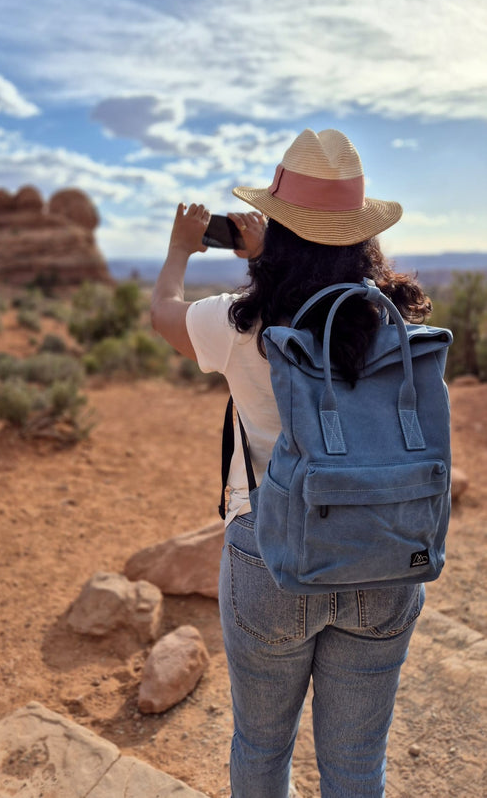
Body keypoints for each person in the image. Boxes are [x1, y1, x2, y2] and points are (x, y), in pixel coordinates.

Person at [151, 128, 432, 798]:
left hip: (271, 555)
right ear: (361, 236)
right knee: (356, 762)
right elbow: (329, 303)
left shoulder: (239, 324)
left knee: (261, 745)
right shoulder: (396, 323)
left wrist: (180, 248)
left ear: (279, 227)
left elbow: (162, 314)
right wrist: (276, 259)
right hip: (384, 552)